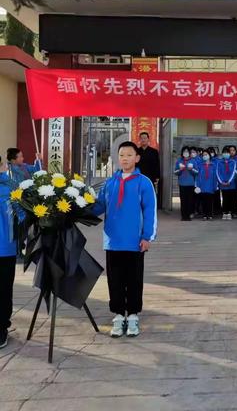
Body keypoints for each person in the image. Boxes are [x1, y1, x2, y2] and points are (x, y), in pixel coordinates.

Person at [93, 141, 157, 338]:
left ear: (137, 158)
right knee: (115, 280)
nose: (125, 158)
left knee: (134, 279)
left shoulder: (143, 182)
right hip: (113, 241)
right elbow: (98, 207)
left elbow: (150, 211)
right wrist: (76, 206)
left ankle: (133, 316)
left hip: (135, 242)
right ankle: (119, 315)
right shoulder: (110, 183)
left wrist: (147, 236)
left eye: (129, 155)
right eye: (121, 155)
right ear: (117, 158)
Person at [0, 157, 24, 349]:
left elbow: (23, 213)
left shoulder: (10, 188)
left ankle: (1, 328)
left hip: (5, 248)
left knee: (3, 290)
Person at [174, 146, 198, 221]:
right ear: (182, 153)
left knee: (190, 200)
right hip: (182, 184)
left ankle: (188, 215)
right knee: (183, 200)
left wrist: (191, 169)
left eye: (187, 151)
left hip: (191, 184)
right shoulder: (179, 161)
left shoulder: (193, 161)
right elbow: (175, 172)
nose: (186, 153)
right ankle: (183, 216)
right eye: (184, 151)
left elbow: (197, 172)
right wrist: (180, 170)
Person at [196, 150, 217, 220]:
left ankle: (210, 214)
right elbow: (198, 176)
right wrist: (198, 186)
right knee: (203, 202)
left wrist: (215, 186)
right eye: (204, 155)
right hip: (202, 186)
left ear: (209, 155)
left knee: (210, 201)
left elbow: (215, 177)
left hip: (210, 186)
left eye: (206, 154)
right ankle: (204, 215)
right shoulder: (200, 165)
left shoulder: (213, 165)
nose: (205, 156)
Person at [217, 146, 237, 220]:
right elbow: (218, 173)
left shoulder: (233, 162)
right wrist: (222, 181)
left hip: (231, 184)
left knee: (230, 198)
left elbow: (234, 173)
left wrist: (229, 181)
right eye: (224, 152)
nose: (226, 154)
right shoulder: (219, 162)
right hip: (223, 184)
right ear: (222, 154)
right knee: (224, 198)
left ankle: (229, 212)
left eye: (227, 152)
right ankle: (224, 212)